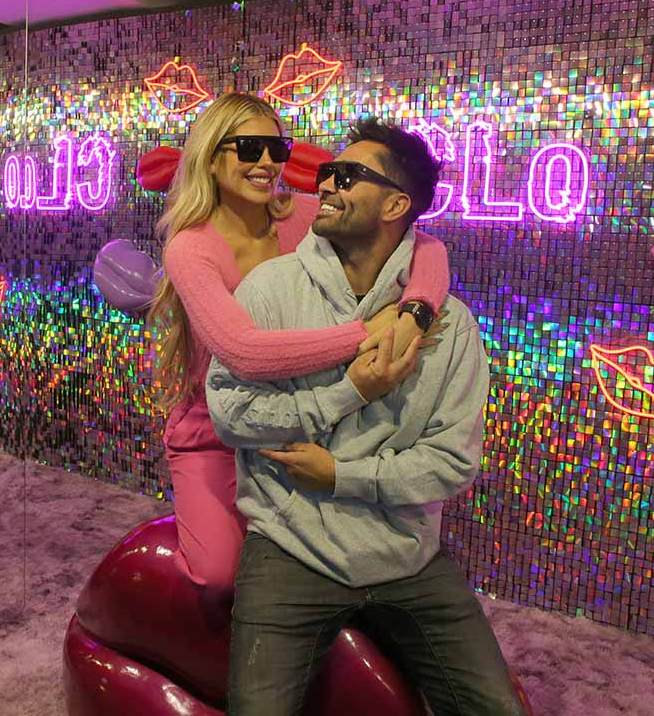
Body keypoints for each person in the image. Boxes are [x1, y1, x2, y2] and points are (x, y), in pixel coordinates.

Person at [206, 118, 524, 715]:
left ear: (396, 204)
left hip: (408, 557)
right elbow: (232, 415)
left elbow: (452, 462)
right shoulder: (271, 290)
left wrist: (340, 475)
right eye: (328, 171)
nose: (324, 184)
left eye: (347, 175)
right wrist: (348, 390)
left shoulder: (449, 326)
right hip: (289, 547)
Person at [147, 93, 451, 604]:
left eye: (276, 148)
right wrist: (363, 334)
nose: (267, 162)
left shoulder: (304, 214)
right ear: (211, 154)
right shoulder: (191, 246)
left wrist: (414, 311)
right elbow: (242, 351)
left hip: (303, 420)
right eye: (249, 148)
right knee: (222, 575)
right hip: (217, 431)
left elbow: (425, 246)